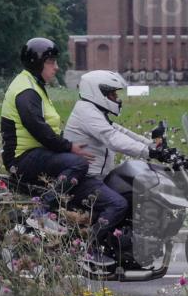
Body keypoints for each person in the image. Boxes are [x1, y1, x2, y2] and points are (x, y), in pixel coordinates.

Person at [63, 70, 174, 264]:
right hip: (84, 179)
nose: (117, 98)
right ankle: (88, 249)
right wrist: (149, 153)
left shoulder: (95, 111)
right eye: (112, 94)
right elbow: (112, 138)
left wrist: (151, 145)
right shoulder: (86, 111)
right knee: (118, 204)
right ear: (98, 93)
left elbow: (119, 130)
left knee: (131, 196)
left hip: (96, 176)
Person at [0, 37, 105, 238]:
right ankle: (41, 213)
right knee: (78, 164)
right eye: (51, 62)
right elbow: (38, 129)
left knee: (75, 164)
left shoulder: (33, 85)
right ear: (37, 63)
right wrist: (68, 147)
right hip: (22, 158)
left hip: (32, 153)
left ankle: (62, 216)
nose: (56, 67)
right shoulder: (26, 91)